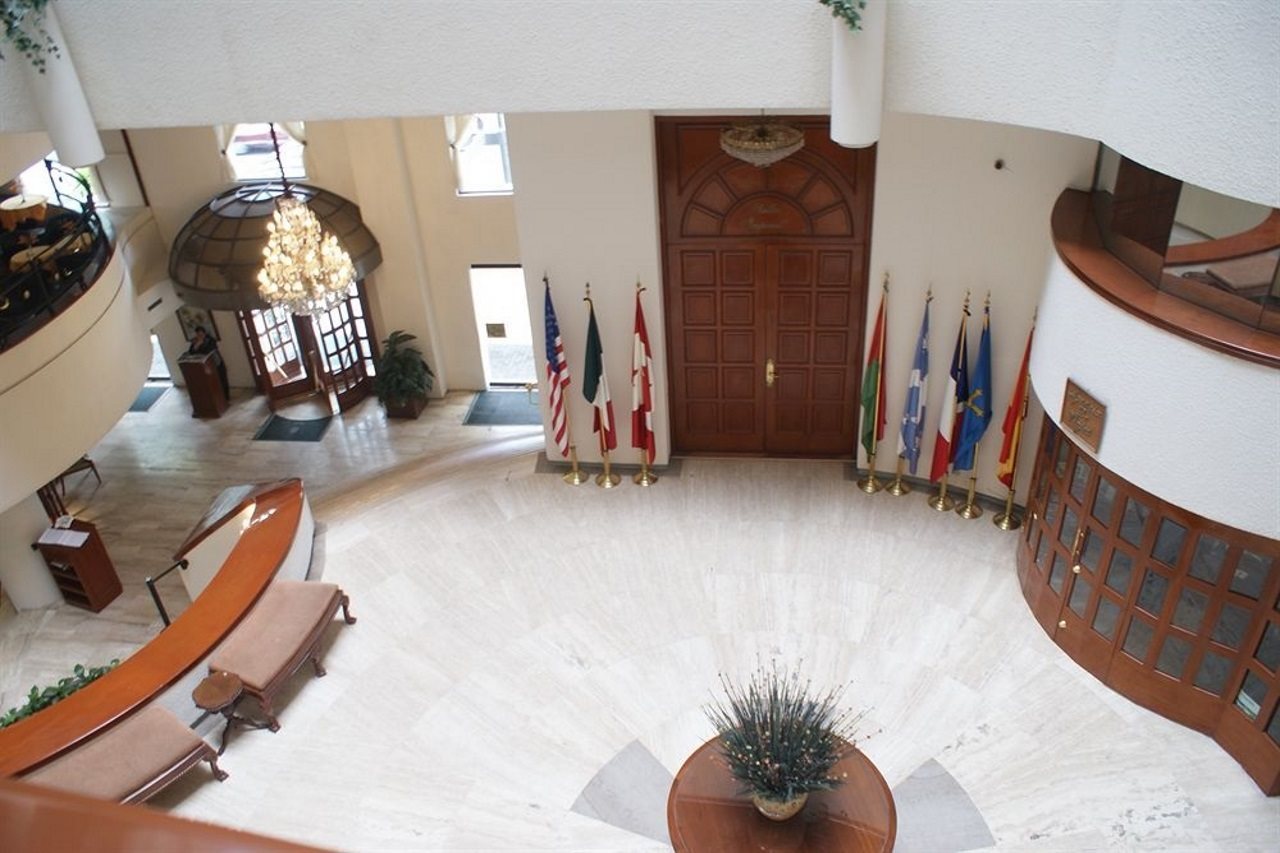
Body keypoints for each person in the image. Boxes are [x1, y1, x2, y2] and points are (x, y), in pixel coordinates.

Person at [187, 325, 230, 401]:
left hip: (216, 363)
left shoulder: (211, 340)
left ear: (204, 333)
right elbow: (191, 352)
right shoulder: (195, 341)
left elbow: (208, 350)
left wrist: (199, 346)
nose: (200, 336)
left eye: (201, 334)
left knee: (222, 380)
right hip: (204, 366)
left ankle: (226, 398)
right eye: (198, 334)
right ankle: (215, 398)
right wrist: (196, 345)